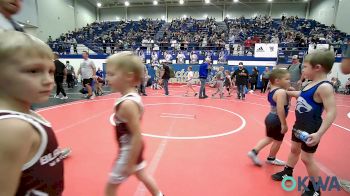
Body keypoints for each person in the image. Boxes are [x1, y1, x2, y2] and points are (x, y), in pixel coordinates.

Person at [0, 30, 64, 196]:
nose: (48, 80)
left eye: (50, 71)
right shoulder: (12, 128)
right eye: (33, 71)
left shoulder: (28, 115)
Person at [272, 50, 337, 196]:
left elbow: (332, 112)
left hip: (311, 128)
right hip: (299, 125)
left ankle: (315, 189)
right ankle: (287, 172)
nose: (303, 70)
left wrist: (319, 133)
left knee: (307, 158)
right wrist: (284, 92)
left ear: (317, 67)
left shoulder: (324, 87)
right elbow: (299, 94)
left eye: (305, 67)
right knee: (294, 150)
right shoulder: (309, 83)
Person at [104, 51, 164, 196]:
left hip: (129, 149)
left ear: (128, 77)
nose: (107, 78)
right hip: (131, 146)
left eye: (112, 74)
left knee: (111, 185)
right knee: (141, 174)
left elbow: (137, 135)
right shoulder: (130, 97)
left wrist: (130, 161)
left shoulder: (127, 104)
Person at [248, 69, 290, 166]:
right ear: (277, 81)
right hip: (277, 119)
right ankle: (271, 158)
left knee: (269, 138)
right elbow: (280, 109)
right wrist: (284, 124)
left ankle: (254, 152)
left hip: (270, 117)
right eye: (287, 79)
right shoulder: (281, 92)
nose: (289, 81)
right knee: (278, 140)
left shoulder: (272, 90)